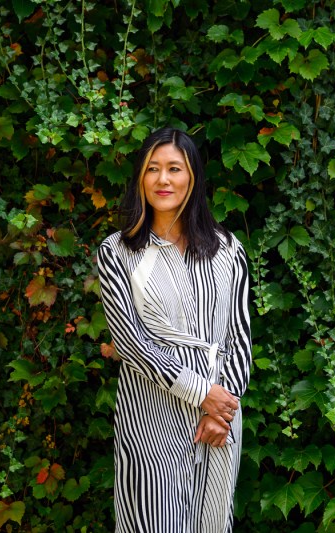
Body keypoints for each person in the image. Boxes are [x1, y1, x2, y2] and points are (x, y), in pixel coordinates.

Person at [96, 127, 252, 532]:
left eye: (174, 169)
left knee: (211, 521)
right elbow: (131, 344)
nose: (163, 180)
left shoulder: (227, 249)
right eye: (152, 169)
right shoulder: (117, 251)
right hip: (149, 418)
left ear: (192, 177)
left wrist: (224, 408)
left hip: (220, 420)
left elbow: (238, 336)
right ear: (140, 180)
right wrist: (205, 395)